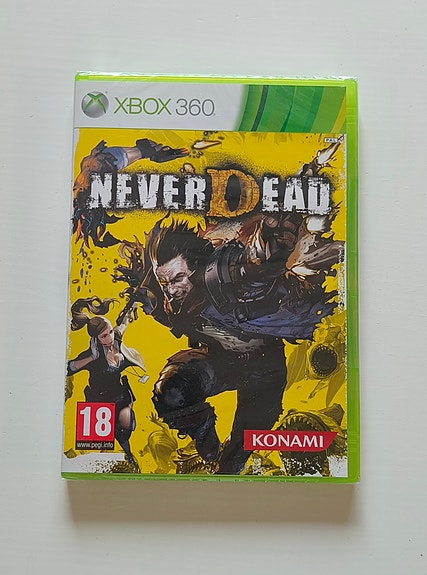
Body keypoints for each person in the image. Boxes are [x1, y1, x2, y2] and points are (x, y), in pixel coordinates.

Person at [113, 210, 341, 474]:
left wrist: (274, 239)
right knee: (172, 392)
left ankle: (227, 464)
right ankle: (207, 445)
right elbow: (164, 309)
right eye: (164, 282)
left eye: (177, 279)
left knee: (234, 460)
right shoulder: (168, 301)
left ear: (196, 270)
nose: (171, 290)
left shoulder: (226, 276)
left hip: (263, 372)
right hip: (219, 363)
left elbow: (255, 265)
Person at [67, 297, 147, 466]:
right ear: (96, 338)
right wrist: (91, 357)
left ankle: (127, 452)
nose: (110, 337)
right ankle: (117, 456)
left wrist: (133, 304)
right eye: (104, 336)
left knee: (126, 423)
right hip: (100, 401)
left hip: (120, 395)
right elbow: (69, 368)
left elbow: (123, 323)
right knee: (103, 437)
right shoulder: (93, 357)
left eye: (110, 332)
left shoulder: (116, 338)